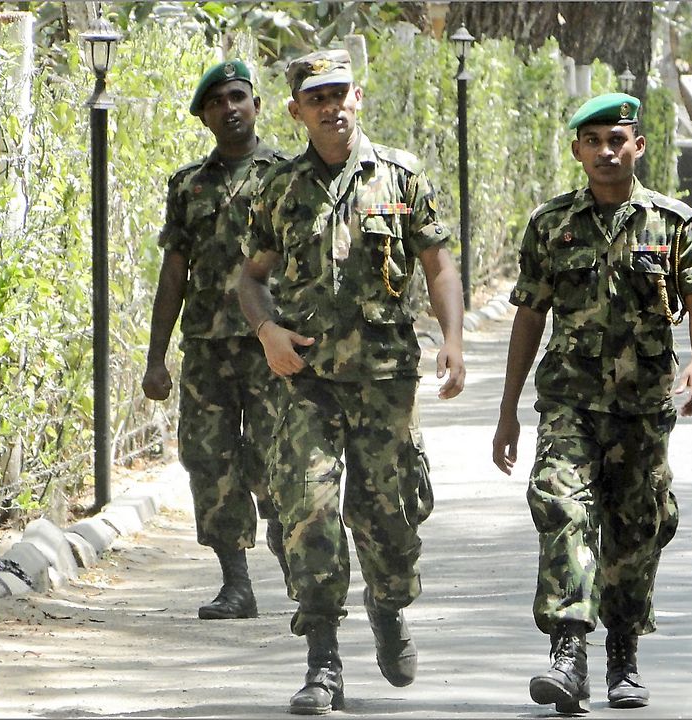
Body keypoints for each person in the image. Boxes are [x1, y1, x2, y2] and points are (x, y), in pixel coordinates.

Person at [238, 49, 465, 715]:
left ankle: (390, 611)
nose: (331, 106)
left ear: (357, 97)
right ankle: (322, 661)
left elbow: (438, 264)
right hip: (306, 378)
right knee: (306, 510)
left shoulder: (400, 176)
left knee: (386, 512)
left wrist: (451, 340)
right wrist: (267, 332)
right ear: (296, 110)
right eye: (317, 97)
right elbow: (251, 277)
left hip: (385, 379)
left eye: (340, 93)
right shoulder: (279, 188)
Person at [492, 92, 692, 713]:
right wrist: (508, 408)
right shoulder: (550, 225)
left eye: (617, 139)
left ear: (638, 145)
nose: (605, 151)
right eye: (592, 141)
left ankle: (623, 653)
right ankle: (568, 651)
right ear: (577, 151)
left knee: (635, 527)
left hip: (643, 405)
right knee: (562, 508)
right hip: (569, 401)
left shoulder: (674, 223)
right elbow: (528, 315)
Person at [142, 60, 291, 621]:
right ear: (204, 117)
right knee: (210, 460)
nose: (229, 108)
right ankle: (235, 583)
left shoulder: (288, 174)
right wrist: (156, 358)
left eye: (238, 97)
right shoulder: (188, 186)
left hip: (274, 344)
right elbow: (174, 271)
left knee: (276, 454)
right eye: (217, 102)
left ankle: (288, 540)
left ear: (256, 104)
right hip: (207, 347)